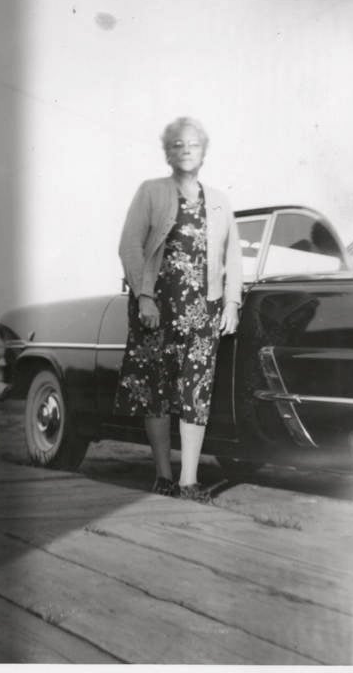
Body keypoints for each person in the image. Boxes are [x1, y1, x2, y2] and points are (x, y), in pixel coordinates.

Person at [114, 117, 243, 500]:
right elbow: (129, 246)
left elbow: (232, 256)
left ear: (203, 152)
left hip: (203, 310)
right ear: (167, 152)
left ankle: (189, 480)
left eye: (193, 145)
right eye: (177, 145)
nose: (185, 151)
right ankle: (163, 475)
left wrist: (232, 301)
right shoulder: (151, 191)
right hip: (157, 309)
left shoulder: (220, 199)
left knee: (195, 392)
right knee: (157, 392)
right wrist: (145, 296)